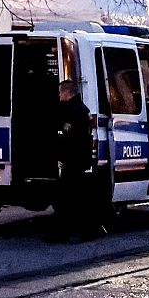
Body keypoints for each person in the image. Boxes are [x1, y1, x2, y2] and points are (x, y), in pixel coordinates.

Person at [46, 79, 106, 242]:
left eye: (60, 92)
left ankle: (66, 233)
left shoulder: (73, 111)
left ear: (66, 92)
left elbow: (69, 137)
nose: (59, 95)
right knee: (77, 197)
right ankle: (90, 229)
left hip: (73, 160)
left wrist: (60, 155)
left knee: (67, 198)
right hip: (78, 159)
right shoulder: (80, 109)